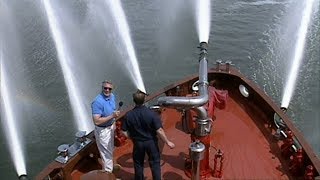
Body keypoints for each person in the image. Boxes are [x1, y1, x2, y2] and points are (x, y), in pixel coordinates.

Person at [121, 90, 175, 180]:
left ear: (134, 101)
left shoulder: (129, 115)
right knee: (155, 163)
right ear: (144, 100)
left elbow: (124, 131)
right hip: (151, 143)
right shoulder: (152, 114)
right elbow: (159, 130)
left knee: (138, 164)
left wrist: (132, 138)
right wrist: (168, 142)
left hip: (138, 143)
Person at [91, 80, 120, 173]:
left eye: (109, 89)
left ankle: (109, 170)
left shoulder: (112, 96)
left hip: (111, 127)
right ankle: (108, 173)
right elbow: (96, 121)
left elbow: (113, 110)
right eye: (105, 88)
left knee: (110, 150)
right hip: (103, 131)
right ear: (102, 88)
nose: (107, 90)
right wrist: (112, 116)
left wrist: (114, 122)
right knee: (106, 154)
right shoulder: (97, 102)